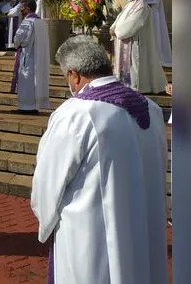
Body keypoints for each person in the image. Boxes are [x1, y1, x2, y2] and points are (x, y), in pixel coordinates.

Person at [31, 36, 168, 283]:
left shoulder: (75, 114)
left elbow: (48, 182)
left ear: (74, 75)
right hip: (144, 232)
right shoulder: (153, 109)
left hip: (90, 239)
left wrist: (45, 220)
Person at [110, 0, 168, 94]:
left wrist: (116, 31)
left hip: (135, 43)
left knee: (134, 67)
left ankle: (136, 87)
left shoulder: (142, 7)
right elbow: (119, 19)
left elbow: (130, 26)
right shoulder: (128, 6)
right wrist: (112, 27)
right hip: (123, 43)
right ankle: (123, 85)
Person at [10, 0, 50, 114]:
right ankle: (34, 106)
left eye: (22, 8)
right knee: (34, 82)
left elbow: (18, 39)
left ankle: (25, 107)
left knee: (26, 82)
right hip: (39, 58)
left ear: (27, 9)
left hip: (27, 57)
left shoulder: (27, 22)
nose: (20, 11)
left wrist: (16, 43)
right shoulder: (42, 23)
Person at [137, 0, 172, 68]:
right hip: (148, 19)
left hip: (154, 20)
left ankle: (156, 59)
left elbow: (143, 3)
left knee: (155, 37)